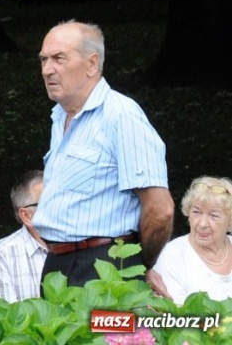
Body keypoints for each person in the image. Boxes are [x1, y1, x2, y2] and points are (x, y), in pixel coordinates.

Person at [33, 20, 174, 289]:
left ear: (91, 63)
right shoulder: (60, 116)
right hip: (57, 265)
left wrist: (139, 264)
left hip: (105, 265)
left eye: (59, 58)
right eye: (43, 60)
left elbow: (160, 210)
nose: (47, 69)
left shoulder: (121, 115)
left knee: (105, 321)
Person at [153, 177, 232, 304]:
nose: (202, 223)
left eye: (214, 215)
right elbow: (175, 312)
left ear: (230, 220)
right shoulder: (172, 254)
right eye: (196, 212)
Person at [0, 170, 48, 302]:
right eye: (48, 202)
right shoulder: (1, 254)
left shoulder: (84, 244)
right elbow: (3, 312)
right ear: (26, 216)